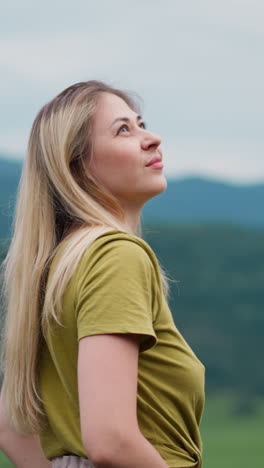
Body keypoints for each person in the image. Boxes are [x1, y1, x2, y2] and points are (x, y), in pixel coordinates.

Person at [0, 81, 205, 468]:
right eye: (123, 129)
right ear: (76, 166)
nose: (152, 138)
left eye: (141, 123)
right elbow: (111, 441)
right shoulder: (115, 256)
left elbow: (11, 428)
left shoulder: (56, 266)